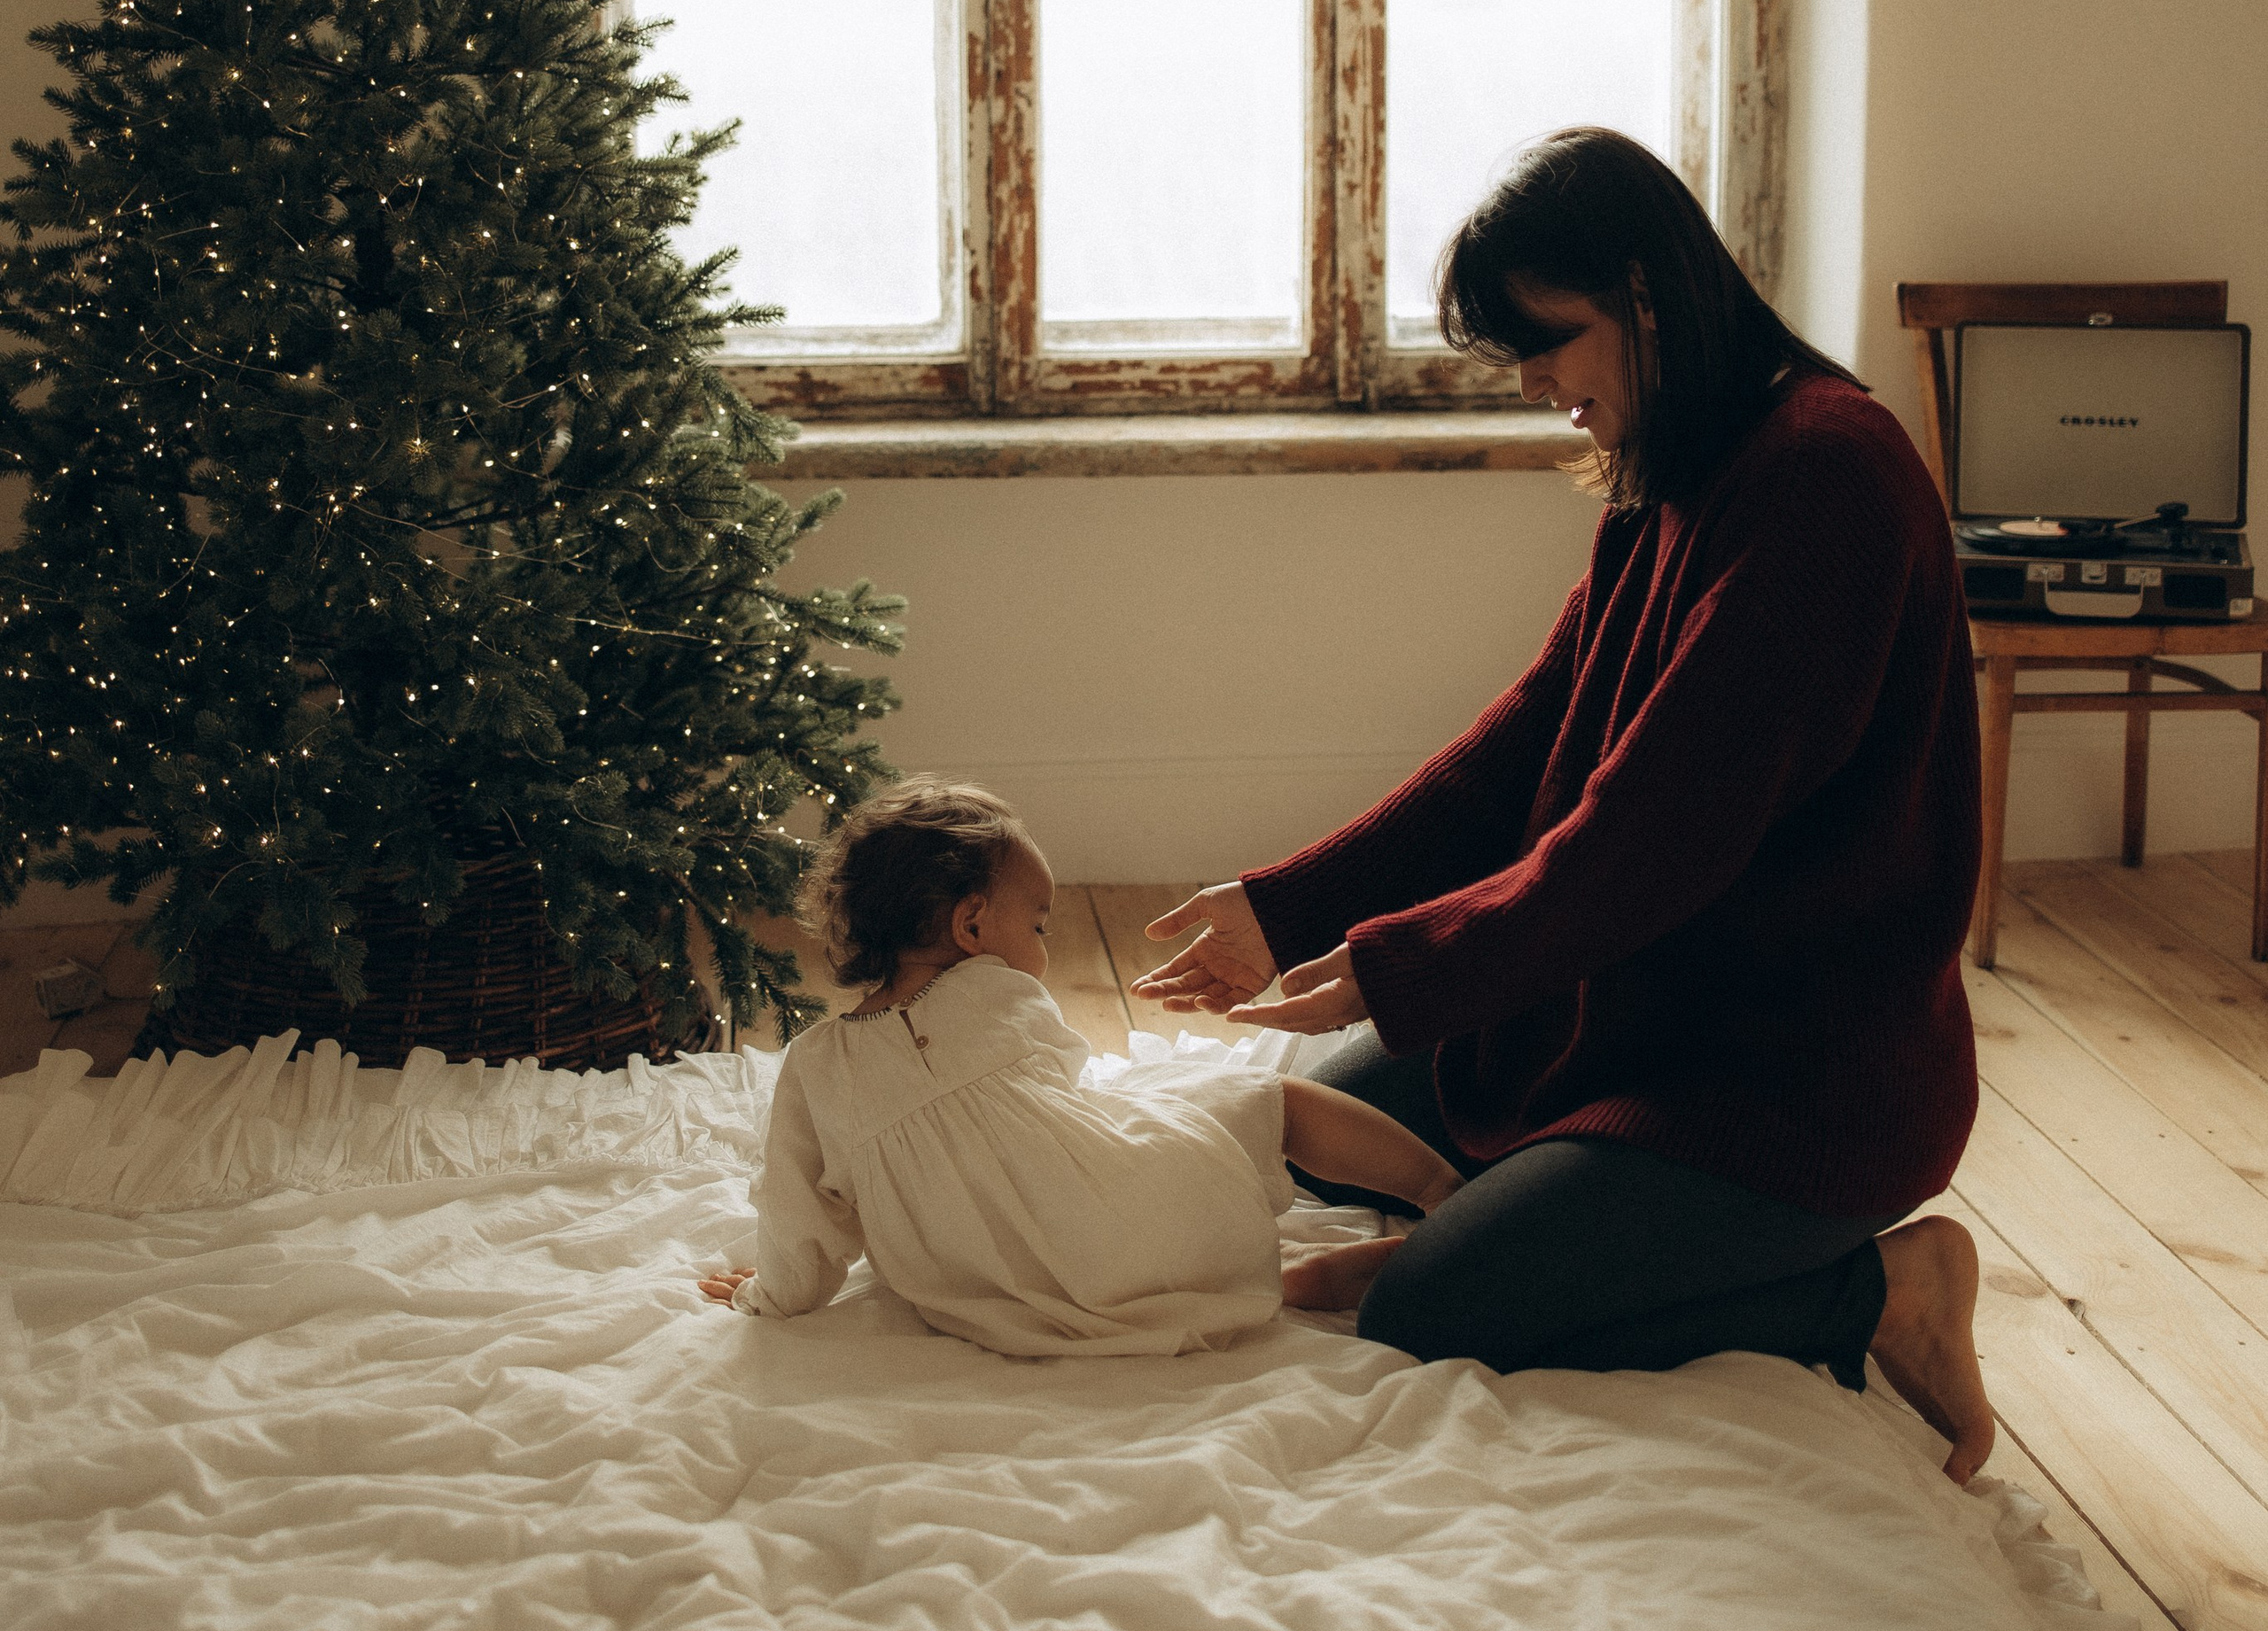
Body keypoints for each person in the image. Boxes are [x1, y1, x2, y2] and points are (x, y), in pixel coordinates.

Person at [1133, 128, 1995, 1480]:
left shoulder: (1827, 474)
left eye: (1549, 341)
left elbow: (1649, 845)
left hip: (1793, 1079)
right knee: (1326, 1138)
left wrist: (1401, 966)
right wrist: (1284, 904)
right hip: (1648, 1007)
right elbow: (1527, 742)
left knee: (1433, 1307)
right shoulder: (1675, 468)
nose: (1535, 383)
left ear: (1647, 296)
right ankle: (1566, 1215)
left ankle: (1888, 1291)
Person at [702, 777, 1463, 1358]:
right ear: (972, 926)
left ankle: (1291, 1283)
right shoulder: (992, 989)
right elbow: (1066, 1090)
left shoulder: (815, 1065)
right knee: (1272, 1100)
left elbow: (802, 1218)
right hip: (1126, 1219)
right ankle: (1441, 1192)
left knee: (1148, 1218)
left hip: (993, 1294)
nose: (1043, 945)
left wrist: (773, 1293)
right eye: (1037, 925)